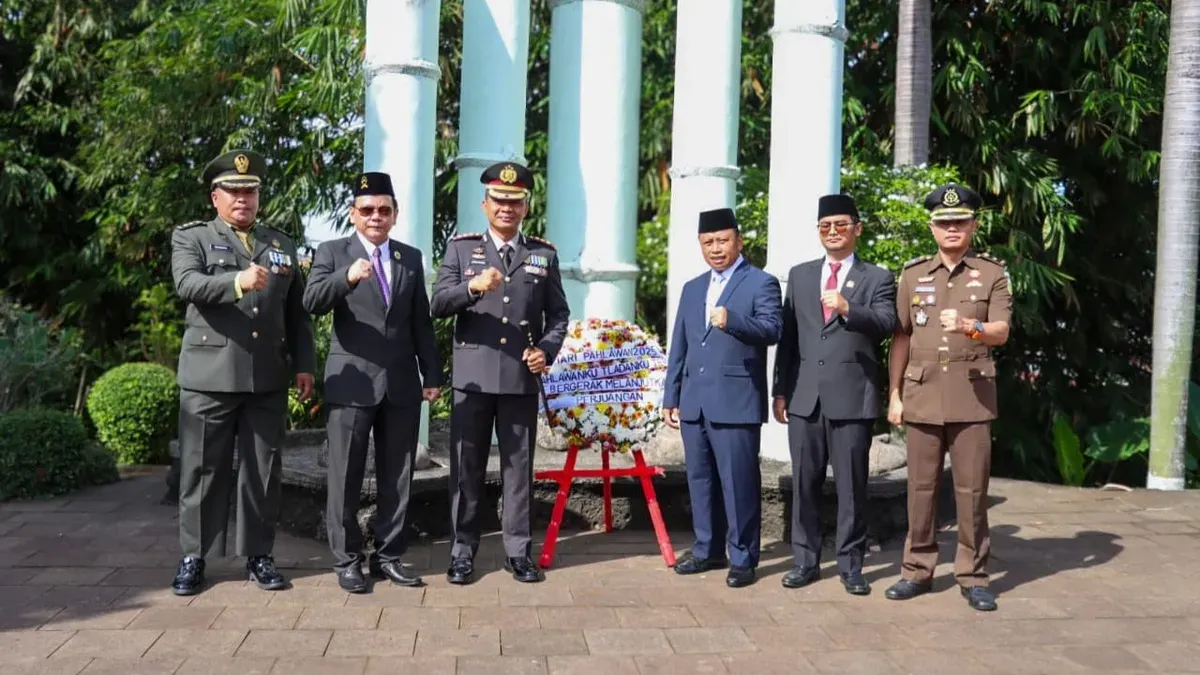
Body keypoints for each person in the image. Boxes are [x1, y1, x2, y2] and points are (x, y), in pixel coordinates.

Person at [169, 149, 315, 595]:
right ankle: (194, 556)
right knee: (202, 469)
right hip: (209, 375)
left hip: (266, 376)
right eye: (233, 191)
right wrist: (236, 282)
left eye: (250, 191)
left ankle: (259, 555)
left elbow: (298, 313)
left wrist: (305, 366)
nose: (243, 199)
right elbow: (187, 284)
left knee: (262, 471)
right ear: (215, 197)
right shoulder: (191, 237)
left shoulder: (281, 244)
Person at [430, 161, 570, 584]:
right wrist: (472, 288)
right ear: (484, 203)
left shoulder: (542, 254)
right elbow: (437, 305)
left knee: (518, 468)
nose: (506, 208)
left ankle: (517, 552)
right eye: (499, 201)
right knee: (465, 466)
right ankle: (461, 552)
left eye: (515, 201)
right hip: (472, 378)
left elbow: (559, 314)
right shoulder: (461, 249)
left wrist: (546, 350)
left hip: (518, 377)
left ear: (525, 206)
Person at [302, 171, 442, 593]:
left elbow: (420, 320)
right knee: (344, 476)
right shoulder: (332, 252)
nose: (375, 216)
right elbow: (311, 301)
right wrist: (346, 277)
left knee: (397, 475)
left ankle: (389, 556)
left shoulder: (409, 257)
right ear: (353, 214)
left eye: (384, 209)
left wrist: (431, 373)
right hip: (353, 384)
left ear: (395, 215)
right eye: (367, 210)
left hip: (400, 382)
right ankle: (347, 560)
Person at [883, 183, 1011, 612]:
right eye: (944, 223)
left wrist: (971, 328)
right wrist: (895, 395)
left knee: (972, 490)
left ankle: (973, 576)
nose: (952, 229)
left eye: (959, 222)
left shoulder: (991, 273)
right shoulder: (913, 274)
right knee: (919, 488)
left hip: (972, 395)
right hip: (921, 394)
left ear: (974, 224)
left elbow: (1002, 331)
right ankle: (916, 569)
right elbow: (900, 337)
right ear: (932, 227)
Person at [772, 194, 897, 595]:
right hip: (805, 396)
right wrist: (780, 390)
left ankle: (851, 565)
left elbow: (886, 323)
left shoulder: (877, 277)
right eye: (825, 226)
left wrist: (848, 307)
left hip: (851, 397)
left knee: (851, 488)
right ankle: (805, 561)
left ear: (857, 228)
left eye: (841, 225)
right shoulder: (802, 274)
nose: (833, 232)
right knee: (804, 484)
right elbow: (788, 339)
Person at [663, 207, 783, 588]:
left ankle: (743, 557)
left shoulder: (760, 282)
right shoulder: (692, 287)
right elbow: (679, 345)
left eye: (723, 240)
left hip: (736, 400)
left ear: (738, 240)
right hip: (694, 401)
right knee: (700, 480)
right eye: (708, 242)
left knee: (738, 482)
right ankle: (706, 550)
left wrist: (733, 320)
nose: (716, 248)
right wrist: (671, 395)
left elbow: (772, 329)